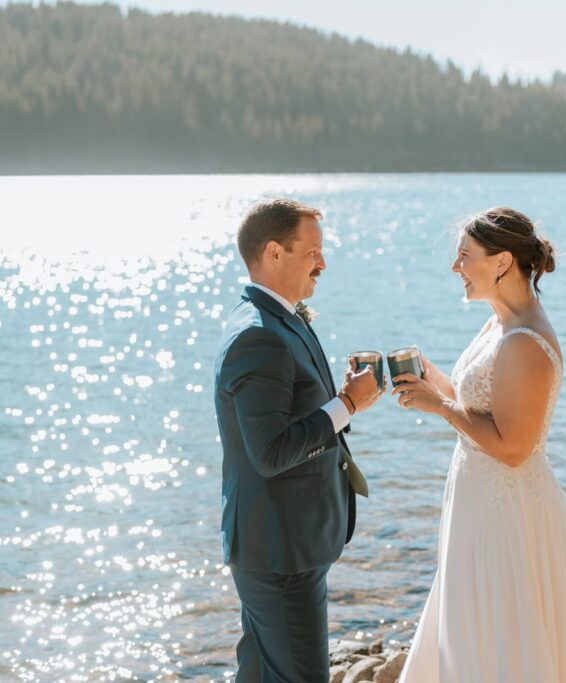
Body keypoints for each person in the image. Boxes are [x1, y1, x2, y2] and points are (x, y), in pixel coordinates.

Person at [392, 207, 566, 683]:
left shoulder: (526, 342)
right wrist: (434, 379)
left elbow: (513, 447)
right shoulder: (500, 324)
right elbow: (485, 404)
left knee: (501, 632)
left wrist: (439, 407)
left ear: (502, 261)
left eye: (465, 256)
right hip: (477, 498)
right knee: (471, 624)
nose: (456, 268)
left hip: (507, 511)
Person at [214, 199, 384, 682]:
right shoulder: (258, 336)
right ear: (274, 252)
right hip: (280, 551)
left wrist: (343, 398)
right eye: (312, 252)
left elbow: (295, 413)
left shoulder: (278, 318)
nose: (323, 263)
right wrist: (346, 405)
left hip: (282, 543)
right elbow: (270, 453)